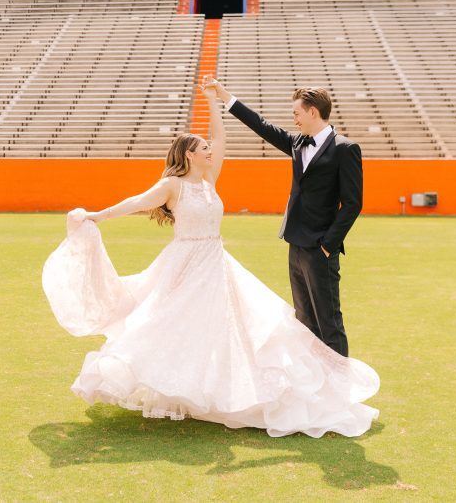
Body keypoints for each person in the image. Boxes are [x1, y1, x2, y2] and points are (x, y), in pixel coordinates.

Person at [41, 77, 378, 438]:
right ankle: (181, 387)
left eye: (297, 112)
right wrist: (97, 215)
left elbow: (221, 139)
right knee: (179, 326)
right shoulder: (173, 185)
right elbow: (138, 202)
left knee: (266, 327)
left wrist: (216, 101)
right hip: (188, 265)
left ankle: (332, 389)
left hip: (222, 264)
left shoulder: (211, 179)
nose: (210, 151)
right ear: (189, 154)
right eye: (202, 148)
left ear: (312, 112)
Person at [204, 79, 362, 357]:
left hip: (320, 248)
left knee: (329, 322)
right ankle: (313, 381)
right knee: (304, 321)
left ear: (313, 112)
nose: (295, 119)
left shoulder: (345, 149)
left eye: (297, 113)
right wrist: (225, 96)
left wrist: (328, 244)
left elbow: (352, 204)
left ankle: (341, 390)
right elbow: (261, 125)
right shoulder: (297, 143)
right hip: (295, 243)